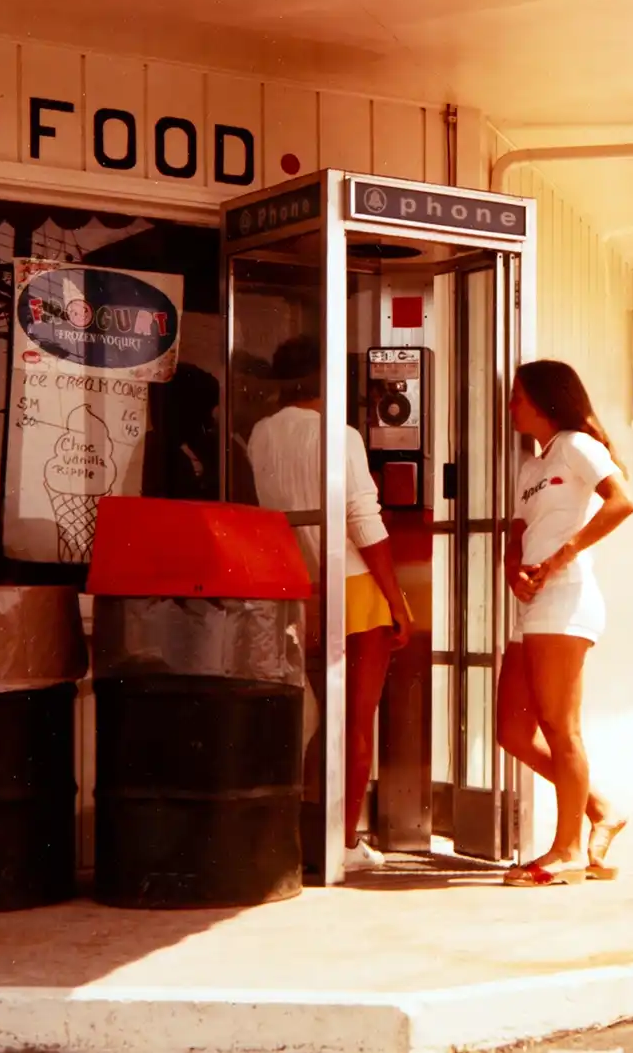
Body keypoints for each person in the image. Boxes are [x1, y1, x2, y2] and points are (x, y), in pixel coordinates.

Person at [246, 335, 417, 875]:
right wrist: (397, 599)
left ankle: (291, 831)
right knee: (355, 720)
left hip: (297, 586)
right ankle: (342, 842)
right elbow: (363, 521)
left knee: (306, 713)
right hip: (354, 583)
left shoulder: (261, 434)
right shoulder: (339, 435)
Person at [496, 360, 633, 887]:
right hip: (530, 605)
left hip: (568, 600)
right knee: (512, 729)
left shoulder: (577, 445)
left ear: (544, 401)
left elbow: (623, 502)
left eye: (517, 398)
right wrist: (515, 569)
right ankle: (603, 810)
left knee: (560, 727)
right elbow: (518, 531)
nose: (511, 407)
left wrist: (562, 556)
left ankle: (569, 851)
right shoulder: (532, 467)